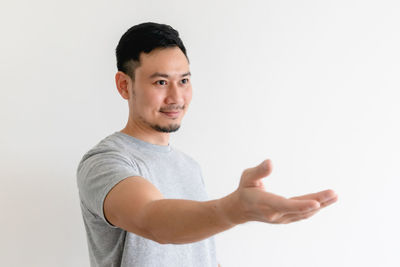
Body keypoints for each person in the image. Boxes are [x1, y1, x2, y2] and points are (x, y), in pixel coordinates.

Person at [76, 22, 338, 267]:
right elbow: (153, 220)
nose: (176, 97)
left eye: (184, 81)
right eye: (161, 82)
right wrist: (234, 210)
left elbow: (200, 254)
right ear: (124, 85)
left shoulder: (189, 166)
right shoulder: (104, 162)